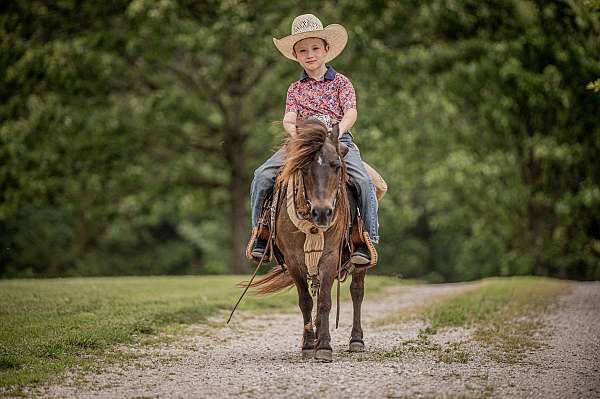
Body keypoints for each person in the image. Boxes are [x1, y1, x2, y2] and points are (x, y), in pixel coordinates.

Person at [249, 13, 379, 265]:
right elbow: (289, 118)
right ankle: (261, 234)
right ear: (296, 56)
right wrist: (295, 134)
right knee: (262, 175)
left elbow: (351, 111)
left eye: (315, 48)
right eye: (303, 50)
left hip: (337, 140)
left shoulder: (341, 82)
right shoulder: (295, 88)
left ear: (326, 50)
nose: (310, 54)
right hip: (303, 143)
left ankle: (365, 237)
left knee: (363, 180)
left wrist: (338, 131)